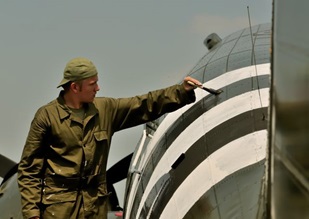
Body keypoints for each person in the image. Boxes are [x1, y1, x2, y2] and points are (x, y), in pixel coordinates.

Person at [17, 57, 201, 219]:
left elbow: (144, 104)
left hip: (95, 206)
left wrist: (181, 91)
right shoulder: (47, 117)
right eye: (92, 84)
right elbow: (29, 170)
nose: (98, 88)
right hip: (59, 208)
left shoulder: (105, 109)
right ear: (74, 87)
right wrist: (32, 213)